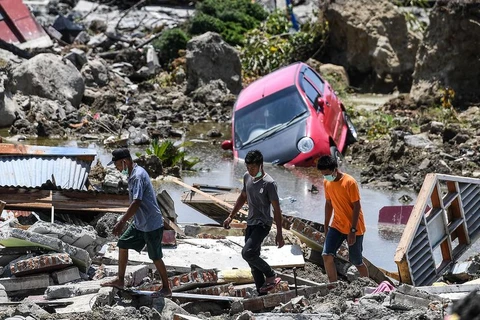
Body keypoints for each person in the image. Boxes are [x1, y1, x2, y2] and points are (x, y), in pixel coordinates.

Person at [101, 148, 171, 297]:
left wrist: (122, 222)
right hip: (140, 222)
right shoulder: (132, 174)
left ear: (124, 162)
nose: (117, 169)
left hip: (151, 223)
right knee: (123, 243)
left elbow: (136, 202)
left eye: (118, 165)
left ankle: (166, 288)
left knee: (155, 257)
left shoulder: (138, 175)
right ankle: (120, 280)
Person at [223, 149, 284, 295]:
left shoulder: (269, 184)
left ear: (261, 165)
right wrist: (231, 215)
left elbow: (277, 209)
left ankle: (270, 274)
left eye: (253, 168)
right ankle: (261, 291)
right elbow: (242, 197)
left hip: (263, 224)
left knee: (247, 253)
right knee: (252, 262)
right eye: (248, 168)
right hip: (250, 223)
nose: (250, 171)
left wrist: (280, 234)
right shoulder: (246, 177)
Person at [316, 155, 369, 282]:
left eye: (327, 173)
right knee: (327, 255)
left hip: (354, 227)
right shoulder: (327, 182)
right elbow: (329, 204)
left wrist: (352, 230)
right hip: (337, 225)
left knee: (356, 260)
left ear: (335, 169)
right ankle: (333, 286)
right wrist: (326, 224)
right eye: (323, 174)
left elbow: (357, 206)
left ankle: (367, 284)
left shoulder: (349, 182)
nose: (325, 176)